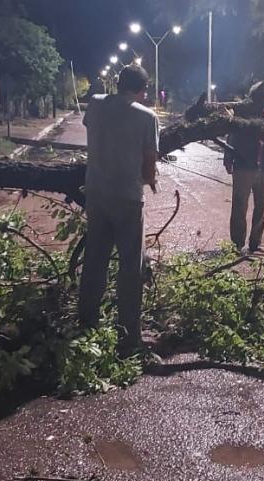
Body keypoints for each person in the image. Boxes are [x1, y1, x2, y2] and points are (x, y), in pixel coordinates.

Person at [78, 65, 160, 352]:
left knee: (95, 261)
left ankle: (86, 324)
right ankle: (128, 336)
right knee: (130, 268)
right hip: (127, 198)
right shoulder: (146, 117)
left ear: (118, 83)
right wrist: (151, 178)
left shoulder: (96, 105)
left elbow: (94, 130)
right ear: (141, 90)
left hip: (96, 194)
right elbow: (149, 166)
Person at [225, 80, 264, 254]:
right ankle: (237, 244)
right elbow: (233, 132)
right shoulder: (244, 109)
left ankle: (255, 243)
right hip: (244, 162)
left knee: (262, 205)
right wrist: (228, 157)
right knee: (240, 204)